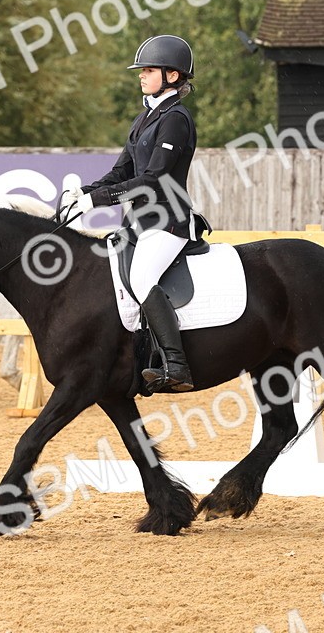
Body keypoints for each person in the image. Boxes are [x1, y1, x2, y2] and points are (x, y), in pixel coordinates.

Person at [72, 35, 200, 392]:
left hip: (168, 221)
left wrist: (98, 201)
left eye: (148, 70)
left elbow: (154, 179)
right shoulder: (145, 117)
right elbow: (122, 172)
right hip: (138, 223)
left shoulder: (176, 119)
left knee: (142, 279)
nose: (141, 76)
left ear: (172, 76)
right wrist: (84, 192)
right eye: (141, 70)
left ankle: (177, 366)